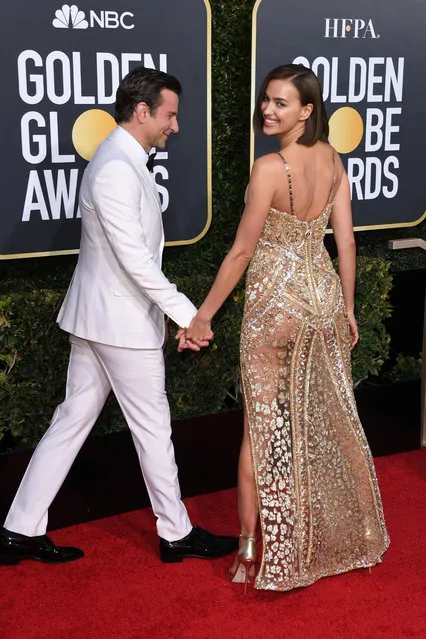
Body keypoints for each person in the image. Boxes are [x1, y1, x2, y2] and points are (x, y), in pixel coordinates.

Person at [0, 67, 237, 566]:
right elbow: (135, 260)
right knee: (152, 426)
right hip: (120, 325)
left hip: (101, 320)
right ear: (144, 111)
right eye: (170, 115)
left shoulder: (123, 160)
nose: (175, 125)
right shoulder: (113, 167)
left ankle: (19, 529)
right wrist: (188, 316)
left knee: (71, 420)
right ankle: (176, 534)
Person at [178, 64, 390, 592]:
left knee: (259, 431)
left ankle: (252, 547)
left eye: (280, 103)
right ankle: (339, 537)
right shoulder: (335, 162)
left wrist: (202, 315)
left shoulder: (270, 167)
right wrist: (347, 309)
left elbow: (243, 251)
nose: (269, 110)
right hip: (321, 303)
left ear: (307, 110)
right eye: (267, 100)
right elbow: (346, 244)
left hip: (275, 310)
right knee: (320, 426)